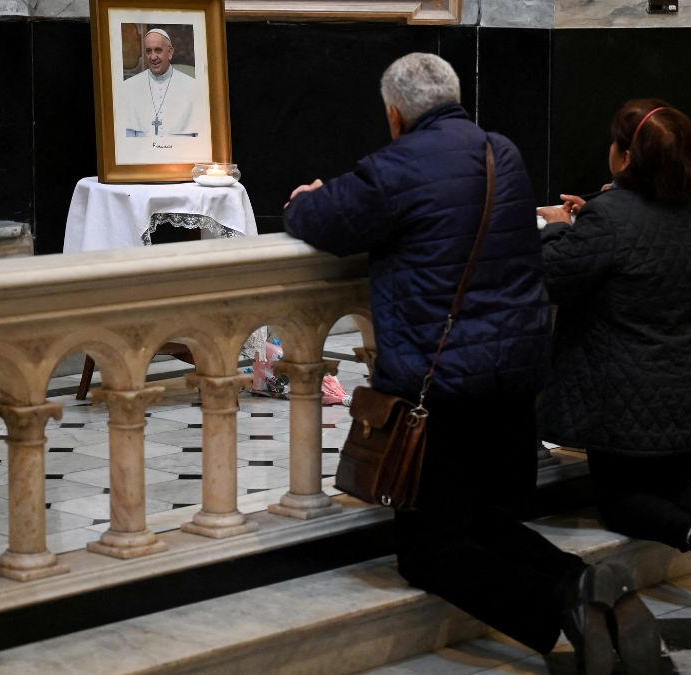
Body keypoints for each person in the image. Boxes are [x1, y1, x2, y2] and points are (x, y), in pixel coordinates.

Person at [283, 53, 661, 675]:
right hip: (514, 378)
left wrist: (304, 198)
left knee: (428, 552)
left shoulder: (394, 167)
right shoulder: (501, 153)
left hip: (441, 388)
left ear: (395, 115)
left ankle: (565, 597)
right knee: (484, 521)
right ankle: (592, 584)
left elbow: (324, 219)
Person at [536, 99, 691, 618]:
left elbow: (555, 273)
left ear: (624, 156)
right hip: (683, 384)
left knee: (620, 500)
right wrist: (591, 216)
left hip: (621, 391)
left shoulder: (609, 217)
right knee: (672, 485)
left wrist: (558, 225)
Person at [117, 28, 200, 137]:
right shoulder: (129, 87)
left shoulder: (192, 87)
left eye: (158, 50)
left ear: (170, 52)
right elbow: (126, 137)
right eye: (148, 51)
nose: (153, 57)